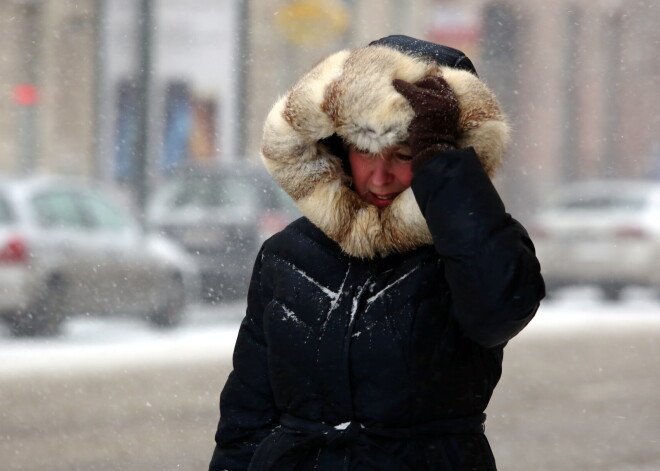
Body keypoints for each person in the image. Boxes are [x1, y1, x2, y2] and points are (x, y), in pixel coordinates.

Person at [209, 35, 545, 471]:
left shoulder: (474, 242)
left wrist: (441, 164)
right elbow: (247, 413)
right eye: (366, 151)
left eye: (405, 154)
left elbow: (500, 309)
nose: (381, 176)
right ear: (338, 147)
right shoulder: (287, 254)